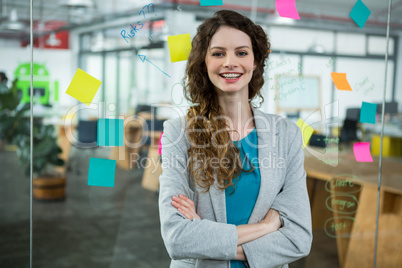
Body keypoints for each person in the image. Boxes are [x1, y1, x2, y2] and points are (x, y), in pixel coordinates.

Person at [158, 10, 312, 268]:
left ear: (255, 62)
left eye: (241, 53)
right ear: (204, 63)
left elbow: (298, 239)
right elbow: (177, 238)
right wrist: (268, 226)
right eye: (218, 53)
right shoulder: (178, 132)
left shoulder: (287, 134)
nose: (230, 62)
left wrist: (207, 240)